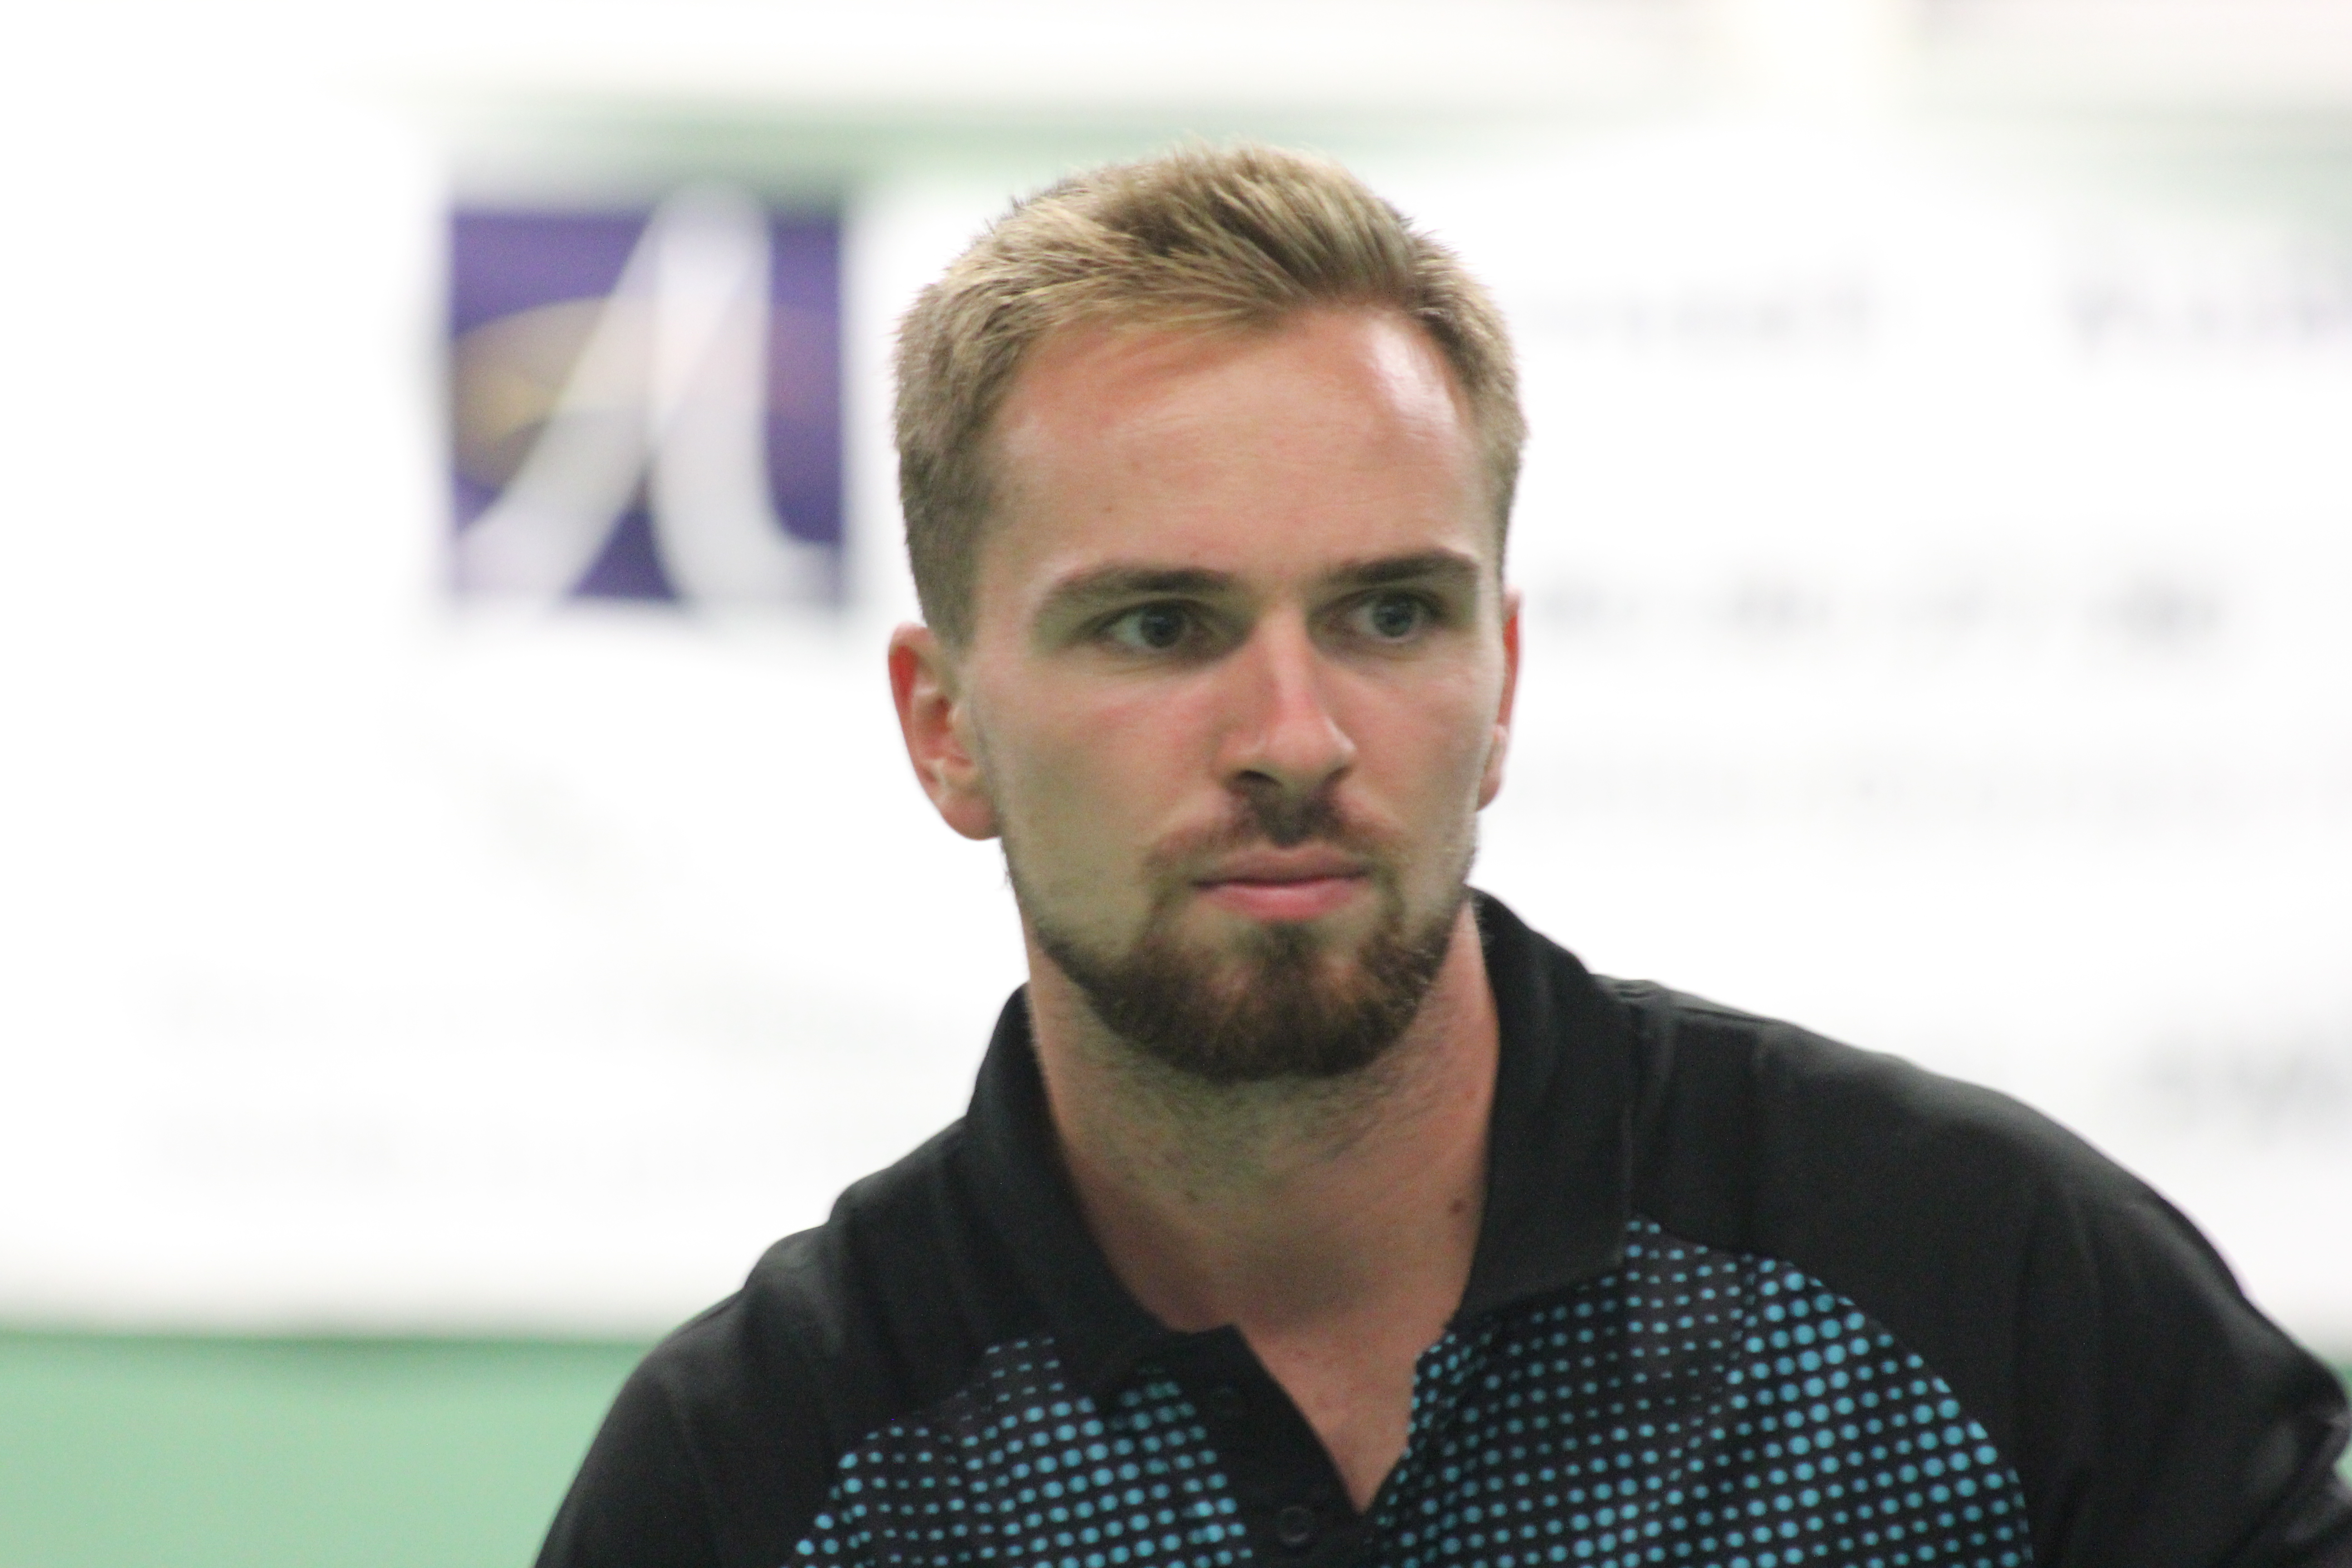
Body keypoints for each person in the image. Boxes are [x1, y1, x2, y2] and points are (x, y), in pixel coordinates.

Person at [535, 144, 2352, 1568]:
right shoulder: (762, 1475)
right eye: (1161, 627)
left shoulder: (1986, 1297)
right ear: (946, 730)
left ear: (1502, 688)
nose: (1295, 736)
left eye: (1391, 614)